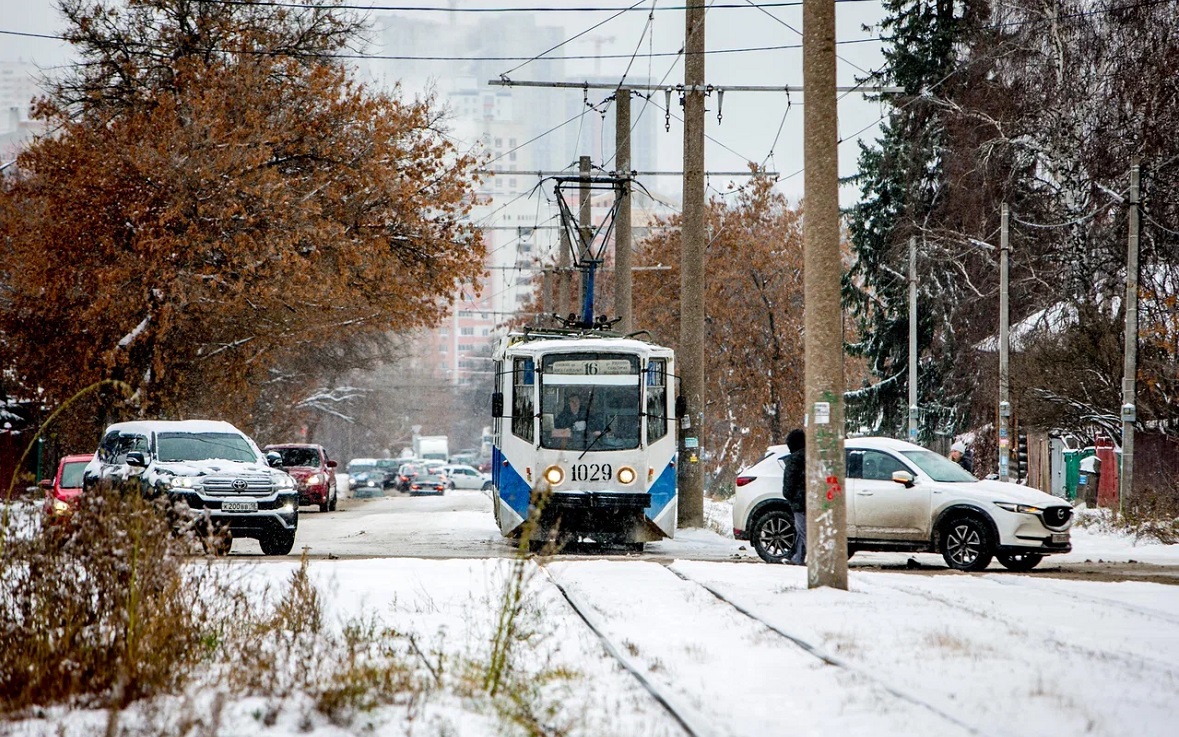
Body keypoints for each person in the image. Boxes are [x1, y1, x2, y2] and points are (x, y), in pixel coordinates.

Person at [780, 428, 807, 565]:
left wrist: (790, 496)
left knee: (803, 531)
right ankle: (798, 557)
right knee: (803, 531)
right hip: (811, 500)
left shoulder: (793, 460)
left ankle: (803, 558)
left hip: (799, 503)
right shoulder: (812, 456)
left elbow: (789, 484)